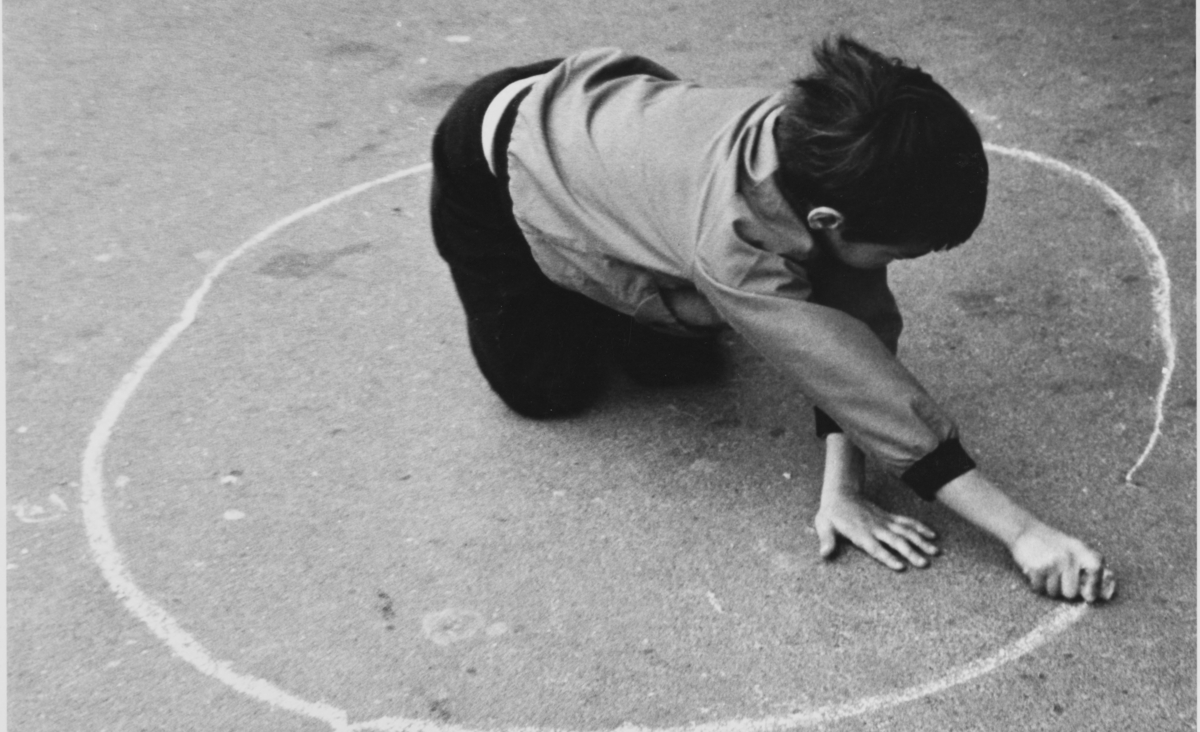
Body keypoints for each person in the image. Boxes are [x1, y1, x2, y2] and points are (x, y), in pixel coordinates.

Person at [428, 36, 1112, 602]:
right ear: (827, 220)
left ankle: (622, 273)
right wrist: (1023, 532)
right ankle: (578, 274)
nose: (905, 261)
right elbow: (859, 384)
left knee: (684, 356)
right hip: (493, 159)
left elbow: (853, 336)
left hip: (606, 117)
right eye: (904, 249)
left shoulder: (822, 147)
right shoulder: (735, 245)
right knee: (547, 391)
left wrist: (842, 490)